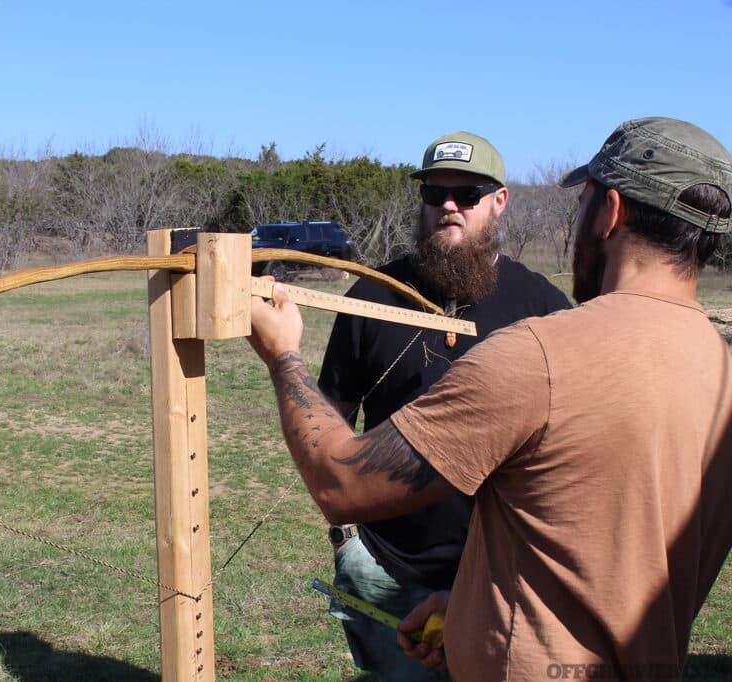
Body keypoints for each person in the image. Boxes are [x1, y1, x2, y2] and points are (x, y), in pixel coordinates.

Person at [247, 116, 732, 681]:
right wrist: (478, 611)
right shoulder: (719, 369)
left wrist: (283, 356)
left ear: (612, 211)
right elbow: (599, 546)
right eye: (435, 192)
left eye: (584, 203)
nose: (449, 206)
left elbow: (341, 481)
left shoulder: (540, 350)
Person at [317, 131, 570, 680]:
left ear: (500, 201)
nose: (449, 207)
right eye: (435, 194)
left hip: (503, 576)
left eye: (468, 194)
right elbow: (331, 414)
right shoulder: (372, 295)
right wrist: (349, 544)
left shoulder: (544, 307)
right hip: (386, 568)